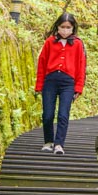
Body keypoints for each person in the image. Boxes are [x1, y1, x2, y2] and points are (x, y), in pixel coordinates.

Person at [34, 13, 87, 155]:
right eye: (62, 27)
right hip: (50, 81)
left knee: (63, 114)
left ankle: (59, 144)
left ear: (73, 28)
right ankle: (48, 141)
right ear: (57, 27)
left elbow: (81, 66)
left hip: (68, 83)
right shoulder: (49, 42)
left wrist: (78, 88)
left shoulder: (77, 44)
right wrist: (39, 85)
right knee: (48, 114)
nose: (65, 30)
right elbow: (42, 64)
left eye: (68, 27)